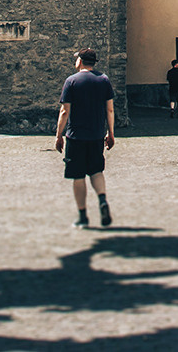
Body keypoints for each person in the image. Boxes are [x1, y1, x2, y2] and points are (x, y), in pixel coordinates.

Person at [56, 48, 116, 229]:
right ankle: (102, 200)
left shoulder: (71, 81)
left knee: (78, 176)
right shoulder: (104, 80)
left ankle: (83, 216)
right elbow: (110, 109)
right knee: (96, 171)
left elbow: (64, 111)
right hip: (97, 135)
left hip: (76, 136)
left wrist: (59, 136)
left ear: (80, 61)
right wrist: (111, 133)